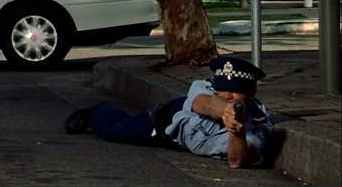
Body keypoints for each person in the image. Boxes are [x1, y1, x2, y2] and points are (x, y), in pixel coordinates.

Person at [64, 56, 274, 169]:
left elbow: (237, 161)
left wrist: (235, 131)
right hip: (165, 120)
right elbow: (205, 103)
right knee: (114, 130)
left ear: (251, 93)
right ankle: (96, 112)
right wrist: (228, 111)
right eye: (223, 89)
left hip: (180, 141)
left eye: (235, 91)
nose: (227, 95)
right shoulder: (207, 87)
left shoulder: (258, 124)